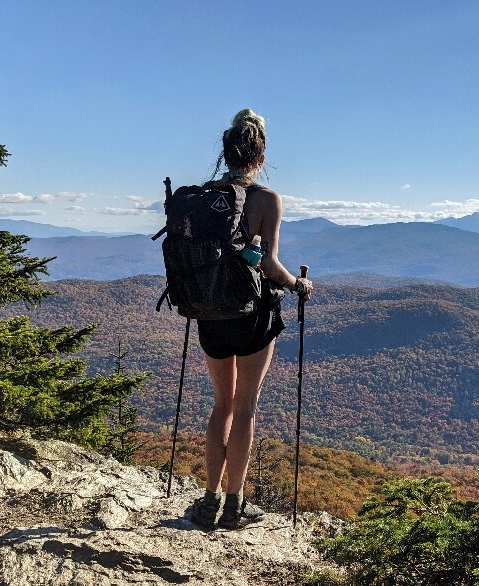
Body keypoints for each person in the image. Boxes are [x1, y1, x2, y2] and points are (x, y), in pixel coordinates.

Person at [190, 109, 313, 530]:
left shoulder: (204, 196)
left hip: (210, 314)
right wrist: (299, 286)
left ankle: (208, 501)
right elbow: (272, 266)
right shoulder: (266, 199)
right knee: (245, 407)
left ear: (226, 153)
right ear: (260, 155)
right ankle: (234, 504)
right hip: (253, 317)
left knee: (220, 405)